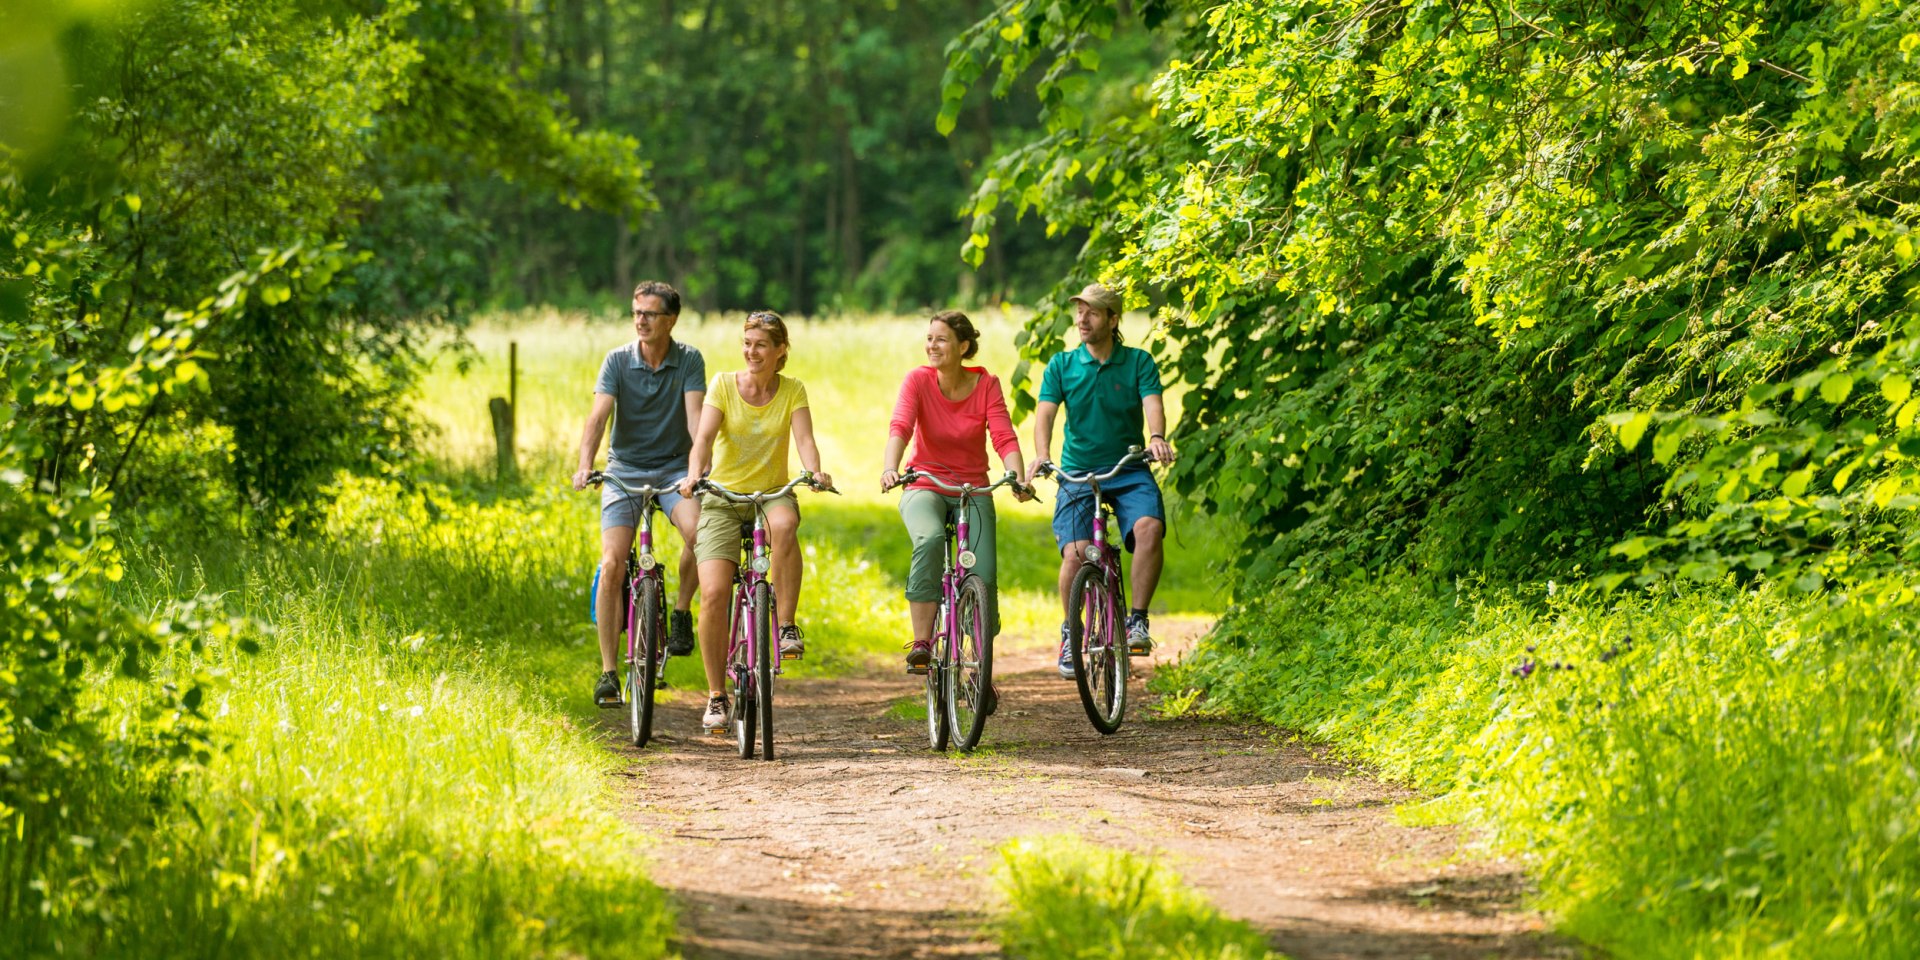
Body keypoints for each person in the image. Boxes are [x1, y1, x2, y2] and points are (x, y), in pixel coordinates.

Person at [679, 311, 833, 735]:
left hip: (772, 494)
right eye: (747, 343)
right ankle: (715, 695)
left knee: (785, 526)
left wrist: (815, 470)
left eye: (761, 344)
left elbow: (804, 440)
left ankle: (785, 625)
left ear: (780, 350)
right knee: (712, 594)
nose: (751, 351)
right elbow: (704, 440)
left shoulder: (792, 390)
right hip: (724, 499)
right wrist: (695, 473)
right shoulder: (724, 385)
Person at [1026, 282, 1176, 679]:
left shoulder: (1139, 362)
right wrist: (1042, 455)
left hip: (1127, 469)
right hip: (1077, 474)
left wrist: (1156, 438)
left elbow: (1153, 406)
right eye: (1079, 312)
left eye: (1092, 312)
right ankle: (1070, 631)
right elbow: (1045, 415)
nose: (1082, 319)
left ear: (1112, 319)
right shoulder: (1061, 364)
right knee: (1075, 555)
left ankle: (1137, 621)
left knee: (1148, 528)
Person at [572, 281, 706, 708]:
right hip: (624, 470)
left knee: (702, 539)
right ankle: (609, 672)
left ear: (671, 320)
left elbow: (695, 418)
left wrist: (697, 469)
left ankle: (681, 611)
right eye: (636, 312)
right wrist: (584, 464)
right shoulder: (616, 360)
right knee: (612, 563)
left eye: (650, 313)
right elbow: (597, 418)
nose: (640, 320)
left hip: (673, 469)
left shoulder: (689, 360)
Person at [880, 311, 1032, 671]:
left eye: (941, 339)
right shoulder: (917, 380)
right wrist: (891, 467)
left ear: (963, 346)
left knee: (984, 574)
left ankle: (979, 665)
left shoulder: (986, 385)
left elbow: (1004, 436)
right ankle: (921, 642)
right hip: (925, 483)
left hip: (972, 488)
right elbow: (901, 425)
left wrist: (1016, 477)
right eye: (929, 338)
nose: (932, 345)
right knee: (930, 539)